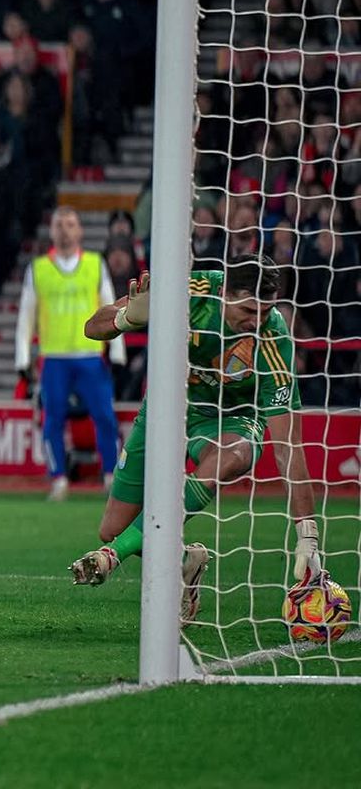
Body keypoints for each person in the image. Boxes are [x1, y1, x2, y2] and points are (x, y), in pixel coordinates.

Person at [71, 259, 322, 625]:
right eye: (248, 310)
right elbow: (91, 328)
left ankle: (112, 556)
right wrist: (127, 319)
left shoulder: (273, 340)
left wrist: (307, 534)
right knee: (114, 528)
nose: (257, 322)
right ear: (223, 294)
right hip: (165, 409)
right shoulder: (189, 292)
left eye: (265, 311)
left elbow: (288, 445)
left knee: (232, 456)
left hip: (230, 420)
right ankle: (185, 559)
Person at [15, 207, 124, 502]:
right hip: (54, 358)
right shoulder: (38, 269)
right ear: (51, 231)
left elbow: (110, 306)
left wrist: (117, 352)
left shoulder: (94, 263)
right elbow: (26, 315)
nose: (64, 229)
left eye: (70, 224)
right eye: (59, 224)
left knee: (104, 417)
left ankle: (111, 476)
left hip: (90, 355)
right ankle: (58, 479)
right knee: (53, 420)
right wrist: (22, 359)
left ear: (80, 231)